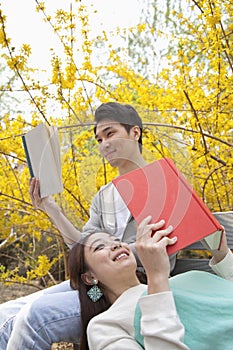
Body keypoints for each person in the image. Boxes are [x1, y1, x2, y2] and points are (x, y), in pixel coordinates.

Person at [0, 102, 177, 349]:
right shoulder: (105, 195)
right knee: (5, 314)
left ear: (135, 133)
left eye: (110, 133)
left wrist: (110, 252)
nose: (104, 144)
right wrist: (50, 207)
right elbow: (82, 246)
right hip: (94, 285)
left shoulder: (162, 184)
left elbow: (167, 249)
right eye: (99, 138)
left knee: (33, 318)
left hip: (132, 287)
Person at [68, 216, 233, 350]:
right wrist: (157, 277)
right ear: (89, 278)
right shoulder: (104, 325)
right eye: (99, 247)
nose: (115, 245)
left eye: (116, 239)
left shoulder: (173, 284)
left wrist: (222, 253)